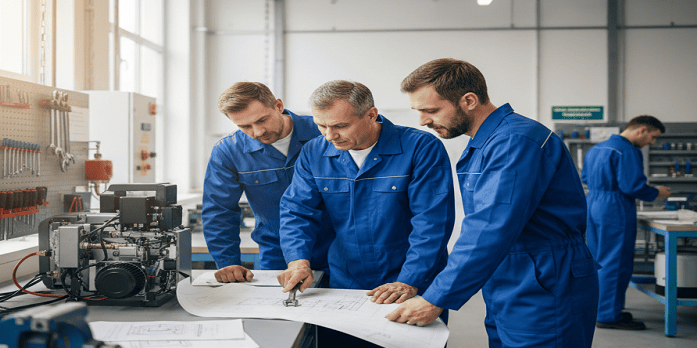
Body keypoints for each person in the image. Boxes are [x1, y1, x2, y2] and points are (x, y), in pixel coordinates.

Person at [388, 58, 600, 348]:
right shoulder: (486, 143)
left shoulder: (515, 141)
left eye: (431, 110)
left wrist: (436, 297)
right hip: (511, 276)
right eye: (419, 111)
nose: (423, 121)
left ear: (469, 100)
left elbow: (489, 228)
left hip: (546, 278)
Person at [277, 80, 455, 346]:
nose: (329, 135)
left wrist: (410, 280)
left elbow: (432, 223)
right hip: (345, 281)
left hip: (411, 279)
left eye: (340, 126)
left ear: (371, 114)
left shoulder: (420, 147)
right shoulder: (314, 152)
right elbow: (297, 211)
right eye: (321, 125)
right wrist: (298, 261)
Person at [202, 82, 334, 283]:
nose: (257, 132)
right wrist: (228, 262)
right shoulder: (229, 151)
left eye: (262, 120)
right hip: (277, 254)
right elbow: (219, 211)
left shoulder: (325, 132)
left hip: (337, 249)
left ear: (278, 106)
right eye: (244, 126)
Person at [581, 115, 671, 330]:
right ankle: (609, 316)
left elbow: (585, 177)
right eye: (653, 137)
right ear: (642, 130)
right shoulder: (629, 151)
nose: (652, 143)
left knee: (597, 260)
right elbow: (632, 186)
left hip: (593, 204)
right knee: (616, 262)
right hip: (614, 208)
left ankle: (597, 308)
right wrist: (656, 192)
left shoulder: (597, 148)